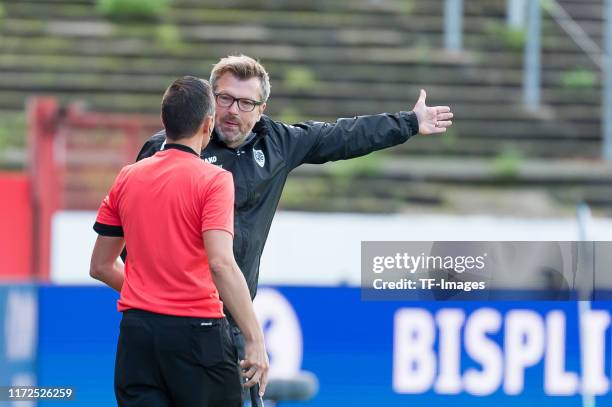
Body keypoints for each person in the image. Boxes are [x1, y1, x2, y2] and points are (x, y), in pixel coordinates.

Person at [135, 55, 454, 403]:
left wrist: (408, 122)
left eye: (245, 103)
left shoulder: (277, 143)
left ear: (261, 109)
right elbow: (130, 236)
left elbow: (343, 135)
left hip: (230, 322)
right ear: (210, 100)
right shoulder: (168, 149)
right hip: (169, 318)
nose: (232, 110)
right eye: (224, 98)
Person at [90, 76, 269, 407]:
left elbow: (100, 266)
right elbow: (221, 263)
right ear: (207, 124)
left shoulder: (129, 176)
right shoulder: (214, 180)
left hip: (137, 336)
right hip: (197, 335)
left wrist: (149, 292)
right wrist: (254, 338)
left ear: (164, 121)